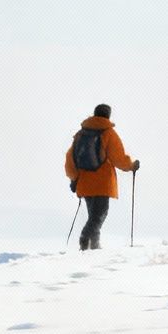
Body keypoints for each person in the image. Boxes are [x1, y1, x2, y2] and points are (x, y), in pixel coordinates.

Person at [65, 103, 139, 250]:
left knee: (93, 216)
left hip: (85, 183)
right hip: (102, 183)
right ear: (108, 115)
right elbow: (118, 158)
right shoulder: (108, 133)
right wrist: (131, 166)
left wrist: (74, 178)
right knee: (99, 216)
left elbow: (70, 159)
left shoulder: (81, 134)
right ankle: (85, 239)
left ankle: (94, 248)